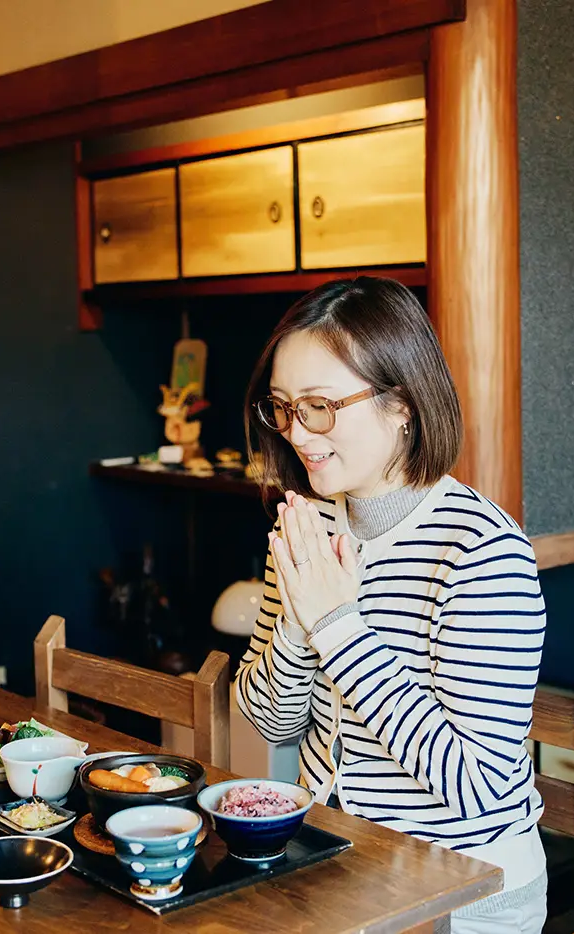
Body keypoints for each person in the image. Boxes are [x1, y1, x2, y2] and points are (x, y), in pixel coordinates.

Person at [234, 276, 547, 933]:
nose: (297, 432)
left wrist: (337, 627)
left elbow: (475, 787)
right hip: (337, 865)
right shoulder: (306, 529)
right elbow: (274, 724)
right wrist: (296, 624)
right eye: (283, 407)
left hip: (463, 893)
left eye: (319, 406)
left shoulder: (482, 552)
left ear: (401, 404)